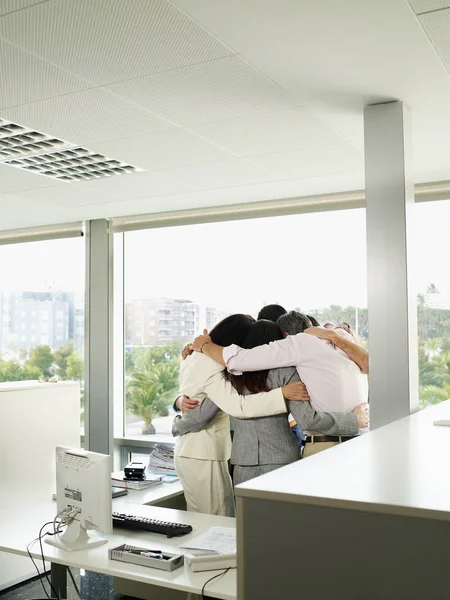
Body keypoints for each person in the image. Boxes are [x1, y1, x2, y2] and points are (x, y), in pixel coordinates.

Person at [174, 320, 368, 485]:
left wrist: (177, 417)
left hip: (244, 461)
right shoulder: (288, 374)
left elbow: (204, 412)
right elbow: (308, 419)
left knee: (248, 524)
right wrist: (355, 420)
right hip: (282, 458)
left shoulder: (231, 376)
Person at [174, 314, 309, 516]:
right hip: (204, 452)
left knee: (206, 519)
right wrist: (282, 394)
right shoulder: (217, 366)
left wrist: (177, 403)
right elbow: (238, 406)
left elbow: (190, 395)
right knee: (216, 520)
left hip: (194, 452)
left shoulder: (193, 357)